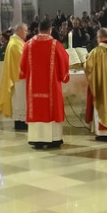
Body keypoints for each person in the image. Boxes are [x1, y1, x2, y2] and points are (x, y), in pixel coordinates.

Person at [20, 18, 69, 149]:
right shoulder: (55, 45)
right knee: (52, 109)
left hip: (34, 88)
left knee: (36, 109)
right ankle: (53, 139)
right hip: (52, 87)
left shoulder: (28, 45)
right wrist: (64, 76)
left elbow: (22, 66)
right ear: (50, 30)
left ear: (38, 29)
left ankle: (37, 139)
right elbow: (64, 61)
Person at [0, 22, 29, 132]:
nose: (27, 33)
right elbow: (23, 59)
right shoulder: (15, 44)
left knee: (20, 101)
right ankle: (20, 123)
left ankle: (22, 121)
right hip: (18, 78)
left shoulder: (17, 42)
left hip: (19, 76)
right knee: (19, 101)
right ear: (19, 30)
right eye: (25, 30)